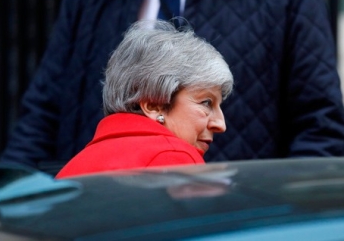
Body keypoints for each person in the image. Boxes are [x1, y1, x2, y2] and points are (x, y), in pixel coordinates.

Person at [0, 0, 344, 176]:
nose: (220, 122)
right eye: (207, 103)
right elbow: (41, 115)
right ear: (150, 102)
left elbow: (320, 126)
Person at [55, 20, 233, 178]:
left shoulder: (72, 167)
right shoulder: (173, 156)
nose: (220, 124)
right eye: (206, 103)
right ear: (154, 105)